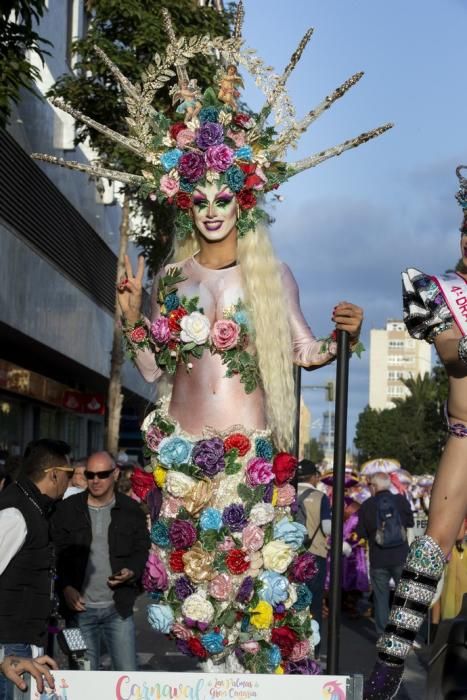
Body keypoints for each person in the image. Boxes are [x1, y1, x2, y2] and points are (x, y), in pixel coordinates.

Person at [31, 6, 392, 675]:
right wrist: (133, 315)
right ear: (185, 200)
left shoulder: (270, 276)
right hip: (185, 460)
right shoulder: (172, 276)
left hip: (248, 459)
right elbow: (151, 367)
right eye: (199, 196)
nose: (212, 206)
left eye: (223, 194)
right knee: (194, 595)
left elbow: (305, 353)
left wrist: (347, 337)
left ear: (241, 200)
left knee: (261, 597)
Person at [365, 167, 467, 699]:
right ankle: (388, 667)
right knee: (433, 547)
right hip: (466, 438)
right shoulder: (442, 291)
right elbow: (452, 353)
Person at [50, 451, 150, 671]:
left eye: (102, 474)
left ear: (115, 474)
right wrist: (65, 586)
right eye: (90, 474)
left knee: (127, 677)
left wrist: (131, 571)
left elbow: (141, 549)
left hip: (118, 609)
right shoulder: (68, 510)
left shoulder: (131, 510)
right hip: (80, 612)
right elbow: (56, 553)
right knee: (85, 683)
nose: (95, 480)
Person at [0, 439, 72, 700]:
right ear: (53, 474)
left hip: (24, 642)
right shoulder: (15, 512)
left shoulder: (34, 507)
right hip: (10, 648)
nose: (73, 481)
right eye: (70, 474)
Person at [356, 473, 414, 639]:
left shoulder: (367, 505)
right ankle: (403, 635)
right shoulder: (401, 501)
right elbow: (410, 522)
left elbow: (361, 532)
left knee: (381, 598)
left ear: (374, 486)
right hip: (401, 555)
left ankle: (384, 635)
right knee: (404, 597)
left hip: (378, 558)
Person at [296, 459, 331, 648]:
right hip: (315, 553)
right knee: (314, 602)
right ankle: (313, 649)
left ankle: (293, 647)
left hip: (291, 556)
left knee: (293, 602)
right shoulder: (320, 497)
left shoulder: (288, 493)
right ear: (314, 476)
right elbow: (327, 528)